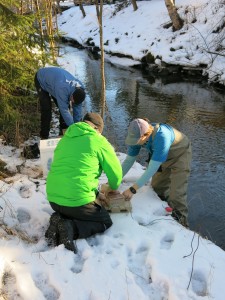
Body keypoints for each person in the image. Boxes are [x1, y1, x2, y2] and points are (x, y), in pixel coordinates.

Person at [45, 112, 122, 253]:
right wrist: (111, 187)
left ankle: (60, 217)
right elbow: (116, 175)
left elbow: (75, 171)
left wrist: (96, 192)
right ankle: (70, 228)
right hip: (77, 202)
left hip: (53, 200)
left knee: (71, 206)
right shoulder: (98, 140)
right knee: (104, 221)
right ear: (98, 129)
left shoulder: (65, 138)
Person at [122, 118, 192, 227]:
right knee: (157, 189)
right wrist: (114, 180)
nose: (134, 142)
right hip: (161, 156)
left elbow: (152, 168)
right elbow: (129, 161)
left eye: (136, 140)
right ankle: (166, 209)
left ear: (145, 135)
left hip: (180, 154)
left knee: (176, 194)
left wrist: (133, 189)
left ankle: (181, 223)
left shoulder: (162, 136)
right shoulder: (137, 137)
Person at [34, 66, 86, 139]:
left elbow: (77, 109)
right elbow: (64, 110)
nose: (72, 102)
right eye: (72, 100)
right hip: (41, 79)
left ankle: (63, 132)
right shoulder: (62, 89)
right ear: (72, 96)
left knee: (67, 107)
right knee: (47, 109)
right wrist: (73, 127)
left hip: (55, 83)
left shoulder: (80, 90)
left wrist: (77, 126)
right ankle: (44, 136)